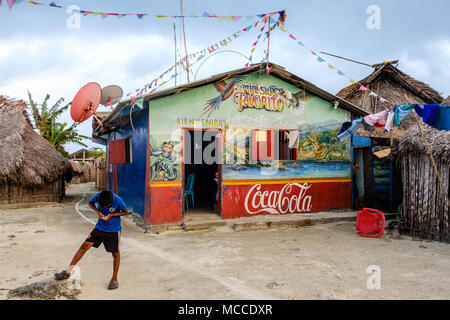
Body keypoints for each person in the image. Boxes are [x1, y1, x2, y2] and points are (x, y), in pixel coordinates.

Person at [54, 190, 128, 290]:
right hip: (99, 227)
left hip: (113, 231)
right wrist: (98, 212)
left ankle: (114, 279)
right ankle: (67, 272)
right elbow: (90, 203)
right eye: (103, 206)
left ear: (112, 200)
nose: (105, 207)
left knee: (115, 254)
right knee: (84, 246)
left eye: (107, 206)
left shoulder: (118, 200)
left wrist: (111, 215)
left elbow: (125, 212)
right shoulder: (98, 196)